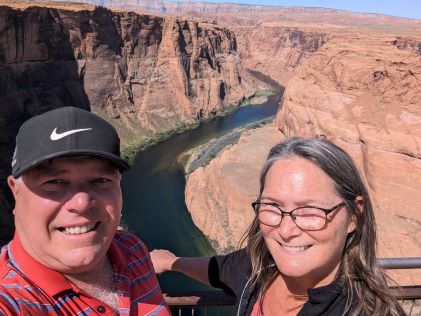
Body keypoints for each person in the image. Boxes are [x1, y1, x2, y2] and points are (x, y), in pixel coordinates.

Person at [151, 137, 405, 316]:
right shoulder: (260, 269)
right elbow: (222, 269)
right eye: (272, 206)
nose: (286, 230)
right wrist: (172, 262)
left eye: (309, 210)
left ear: (353, 216)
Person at [0, 107, 171, 315]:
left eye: (101, 180)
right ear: (15, 191)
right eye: (54, 182)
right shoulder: (11, 300)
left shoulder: (134, 250)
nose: (81, 202)